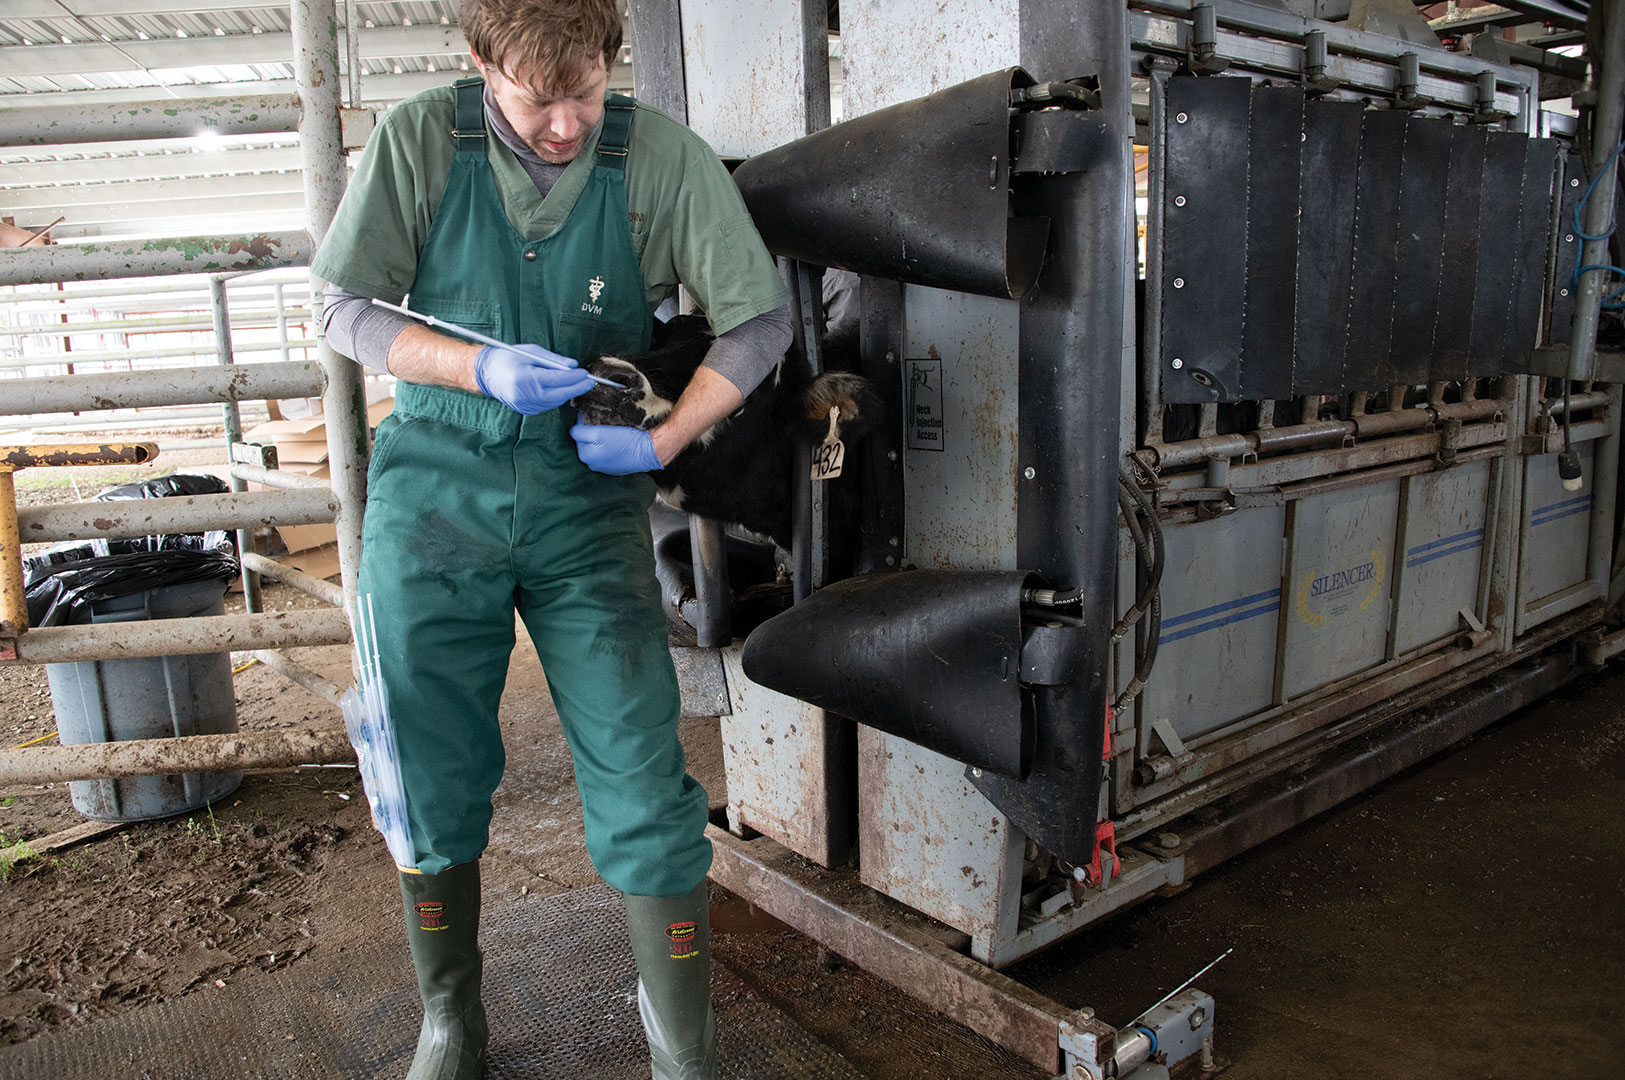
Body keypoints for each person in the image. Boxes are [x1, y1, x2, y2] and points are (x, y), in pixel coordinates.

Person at [310, 1, 792, 1077]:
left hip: (583, 501)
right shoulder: (421, 141)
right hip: (435, 489)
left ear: (610, 63)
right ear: (479, 62)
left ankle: (681, 1054)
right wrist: (475, 366)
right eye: (539, 100)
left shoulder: (656, 155)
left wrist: (668, 433)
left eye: (587, 92)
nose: (567, 124)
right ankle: (451, 1020)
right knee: (426, 761)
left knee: (637, 764)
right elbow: (341, 310)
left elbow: (758, 320)